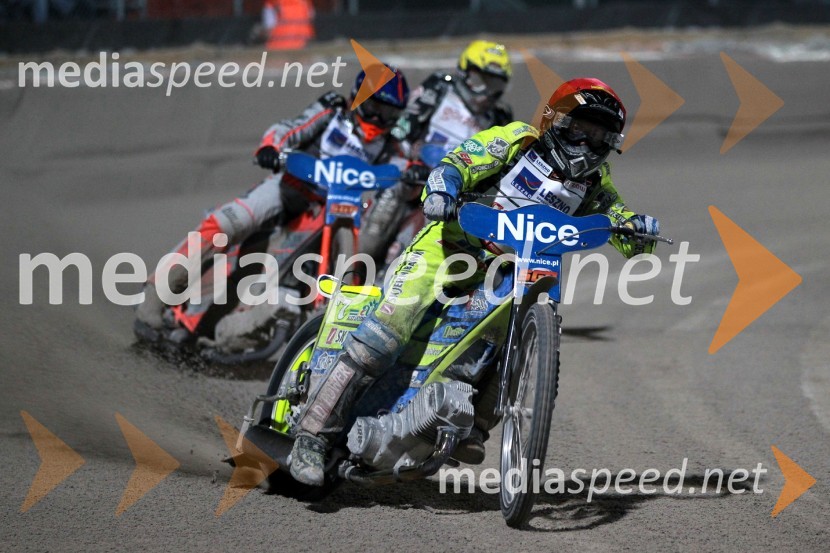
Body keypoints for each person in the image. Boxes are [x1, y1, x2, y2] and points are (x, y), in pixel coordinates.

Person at [289, 77, 662, 486]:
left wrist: (638, 230)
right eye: (582, 130)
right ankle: (313, 436)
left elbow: (623, 228)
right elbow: (459, 162)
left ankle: (474, 423)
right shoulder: (517, 142)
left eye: (600, 137)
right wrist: (444, 188)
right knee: (384, 336)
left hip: (507, 273)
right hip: (447, 249)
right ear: (555, 120)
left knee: (507, 340)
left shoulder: (595, 183)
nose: (588, 144)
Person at [135, 65, 410, 337]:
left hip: (333, 207)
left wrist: (416, 173)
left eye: (389, 113)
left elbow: (403, 166)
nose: (378, 118)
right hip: (287, 187)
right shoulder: (332, 111)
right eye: (374, 107)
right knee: (227, 223)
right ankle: (154, 297)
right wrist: (271, 147)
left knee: (352, 253)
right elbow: (289, 128)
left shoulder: (392, 144)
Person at [359, 40, 514, 270]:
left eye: (493, 84)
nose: (485, 91)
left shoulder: (500, 116)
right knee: (390, 197)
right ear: (464, 71)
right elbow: (402, 127)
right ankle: (355, 262)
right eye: (481, 80)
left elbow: (501, 165)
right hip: (411, 171)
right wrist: (407, 159)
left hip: (456, 191)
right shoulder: (439, 87)